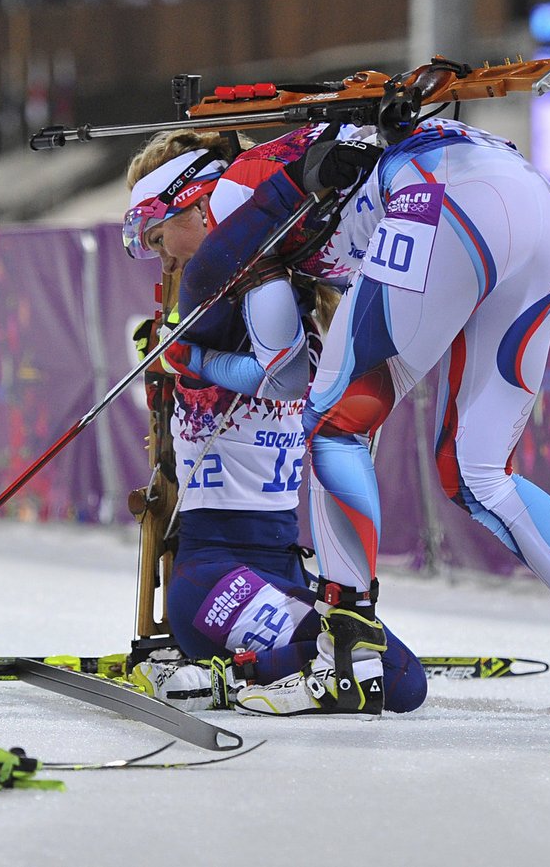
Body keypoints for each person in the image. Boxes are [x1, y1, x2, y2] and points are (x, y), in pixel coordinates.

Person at [178, 116, 550, 720]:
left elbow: (257, 331)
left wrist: (193, 351)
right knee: (479, 471)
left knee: (337, 424)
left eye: (157, 240)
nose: (163, 257)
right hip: (533, 204)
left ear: (194, 207)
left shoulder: (234, 196)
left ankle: (347, 660)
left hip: (442, 197)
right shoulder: (301, 157)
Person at [119, 128, 427, 714]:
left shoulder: (292, 292)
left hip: (285, 563)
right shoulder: (212, 302)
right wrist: (188, 358)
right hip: (212, 575)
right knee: (384, 682)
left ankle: (241, 674)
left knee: (403, 681)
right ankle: (240, 675)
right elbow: (275, 374)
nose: (162, 256)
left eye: (161, 239)